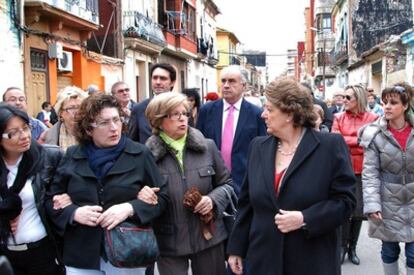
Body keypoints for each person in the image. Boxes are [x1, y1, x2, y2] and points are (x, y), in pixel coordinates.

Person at [227, 77, 356, 275]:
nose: (263, 115)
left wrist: (306, 218)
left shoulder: (330, 146)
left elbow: (345, 202)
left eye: (270, 109)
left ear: (289, 113)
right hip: (264, 258)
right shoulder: (258, 147)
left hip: (311, 259)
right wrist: (236, 248)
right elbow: (246, 204)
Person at [45, 94, 168, 274]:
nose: (113, 128)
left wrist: (130, 208)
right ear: (88, 129)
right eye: (104, 123)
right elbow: (50, 201)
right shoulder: (73, 155)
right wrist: (73, 213)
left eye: (116, 120)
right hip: (82, 255)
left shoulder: (140, 154)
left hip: (128, 253)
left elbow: (163, 198)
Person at [142, 92, 233, 275]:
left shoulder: (207, 147)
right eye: (175, 115)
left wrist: (212, 200)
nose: (182, 119)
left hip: (208, 237)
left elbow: (227, 184)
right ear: (159, 120)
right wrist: (141, 194)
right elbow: (138, 192)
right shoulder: (146, 156)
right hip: (168, 242)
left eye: (184, 113)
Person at [0, 104, 64, 275]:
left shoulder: (49, 157)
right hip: (6, 255)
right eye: (13, 133)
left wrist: (66, 198)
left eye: (26, 128)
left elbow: (64, 191)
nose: (24, 136)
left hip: (42, 251)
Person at [359, 83, 414, 275]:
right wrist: (373, 204)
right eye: (385, 102)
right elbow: (370, 173)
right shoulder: (375, 134)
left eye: (393, 102)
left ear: (405, 105)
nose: (387, 106)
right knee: (390, 250)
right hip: (387, 198)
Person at [197, 65, 267, 196]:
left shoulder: (257, 114)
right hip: (211, 185)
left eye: (232, 81)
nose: (226, 85)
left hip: (244, 185)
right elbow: (198, 145)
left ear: (244, 86)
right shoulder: (207, 111)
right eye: (223, 81)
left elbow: (263, 152)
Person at [332, 84, 378, 265]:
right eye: (343, 97)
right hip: (341, 169)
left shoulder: (373, 118)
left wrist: (349, 141)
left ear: (358, 99)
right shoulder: (338, 117)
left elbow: (372, 141)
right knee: (344, 210)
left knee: (358, 212)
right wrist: (359, 140)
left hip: (363, 170)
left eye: (348, 97)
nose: (344, 100)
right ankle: (342, 246)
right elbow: (336, 141)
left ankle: (352, 247)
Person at [129, 63, 176, 144]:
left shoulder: (181, 108)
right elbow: (132, 142)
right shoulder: (139, 109)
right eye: (155, 78)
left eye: (163, 78)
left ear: (172, 82)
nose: (158, 82)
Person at [43, 86, 88, 151]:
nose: (76, 112)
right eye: (71, 108)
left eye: (80, 107)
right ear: (60, 112)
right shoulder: (50, 136)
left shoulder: (92, 133)